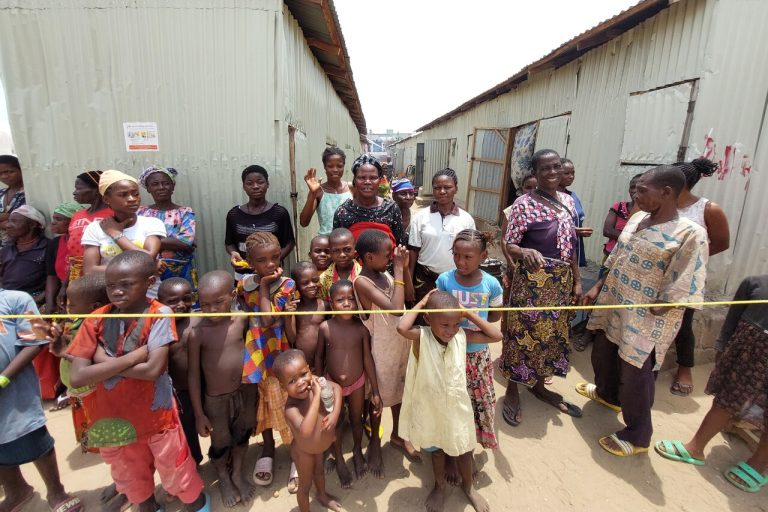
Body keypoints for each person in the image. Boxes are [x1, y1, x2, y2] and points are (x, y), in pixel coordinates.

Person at [577, 166, 709, 457]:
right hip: (615, 301)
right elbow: (617, 256)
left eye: (642, 191)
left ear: (666, 192)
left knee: (635, 372)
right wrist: (598, 285)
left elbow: (687, 278)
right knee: (603, 352)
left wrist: (666, 303)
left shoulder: (690, 233)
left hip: (648, 318)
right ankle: (607, 395)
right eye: (635, 190)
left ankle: (638, 435)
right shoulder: (637, 218)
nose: (635, 195)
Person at [66, 251, 209, 512]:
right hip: (111, 419)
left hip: (157, 418)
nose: (117, 291)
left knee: (178, 473)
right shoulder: (96, 318)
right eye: (111, 285)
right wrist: (133, 357)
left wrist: (101, 362)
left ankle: (196, 505)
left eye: (126, 284)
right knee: (132, 480)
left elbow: (153, 369)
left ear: (150, 281)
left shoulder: (159, 313)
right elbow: (77, 376)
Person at [654, 275, 768, 493]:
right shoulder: (755, 284)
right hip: (749, 355)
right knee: (727, 399)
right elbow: (732, 321)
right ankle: (695, 448)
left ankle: (760, 463)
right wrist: (722, 347)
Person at [397, 290, 501, 512]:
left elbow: (496, 336)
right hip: (431, 407)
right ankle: (439, 486)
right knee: (437, 451)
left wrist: (468, 315)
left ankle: (469, 487)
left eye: (456, 324)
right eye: (445, 325)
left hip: (457, 408)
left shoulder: (462, 336)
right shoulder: (422, 335)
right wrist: (424, 301)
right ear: (428, 318)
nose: (451, 330)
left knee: (463, 449)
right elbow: (401, 328)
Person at [500, 149, 583, 427]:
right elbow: (510, 243)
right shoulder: (524, 203)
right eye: (545, 169)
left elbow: (571, 246)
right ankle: (513, 389)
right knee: (522, 334)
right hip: (532, 282)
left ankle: (538, 385)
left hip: (561, 283)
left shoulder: (569, 202)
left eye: (556, 167)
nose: (552, 173)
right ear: (534, 173)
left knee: (550, 336)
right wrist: (524, 252)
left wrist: (578, 281)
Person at [35, 273, 129, 511]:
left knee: (117, 445)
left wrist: (62, 350)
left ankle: (128, 488)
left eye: (72, 303)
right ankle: (121, 482)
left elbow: (88, 361)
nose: (67, 307)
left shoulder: (103, 327)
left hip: (101, 395)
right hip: (88, 397)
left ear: (95, 307)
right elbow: (73, 341)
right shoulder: (82, 321)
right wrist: (59, 336)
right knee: (108, 445)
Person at [1, 288, 84, 512]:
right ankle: (16, 490)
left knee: (32, 437)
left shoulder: (15, 300)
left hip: (14, 391)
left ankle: (56, 491)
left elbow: (37, 342)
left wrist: (3, 378)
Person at [188, 271, 254, 507]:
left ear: (233, 296)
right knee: (220, 441)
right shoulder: (198, 333)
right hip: (215, 399)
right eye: (205, 305)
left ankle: (237, 472)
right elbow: (194, 375)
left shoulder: (241, 319)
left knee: (243, 432)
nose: (212, 310)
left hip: (245, 391)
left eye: (218, 302)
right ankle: (224, 477)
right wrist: (199, 414)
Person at [237, 232, 297, 490]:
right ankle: (269, 449)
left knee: (286, 398)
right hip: (256, 351)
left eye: (275, 257)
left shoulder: (286, 285)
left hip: (278, 348)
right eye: (262, 260)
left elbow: (268, 319)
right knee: (262, 399)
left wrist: (264, 286)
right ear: (250, 262)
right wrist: (257, 285)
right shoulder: (243, 285)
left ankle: (296, 452)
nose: (271, 264)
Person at [353, 230, 416, 469]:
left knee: (400, 392)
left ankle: (398, 435)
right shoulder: (362, 282)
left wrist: (405, 268)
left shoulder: (386, 275)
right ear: (369, 258)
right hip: (380, 350)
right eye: (387, 255)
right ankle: (375, 445)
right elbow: (396, 309)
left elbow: (408, 295)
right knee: (376, 401)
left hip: (399, 345)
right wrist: (398, 269)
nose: (391, 258)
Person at [436, 230, 503, 455]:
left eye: (468, 257)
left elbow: (494, 317)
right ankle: (450, 448)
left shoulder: (492, 285)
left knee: (476, 403)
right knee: (451, 402)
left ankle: (466, 450)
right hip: (449, 353)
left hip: (477, 357)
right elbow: (438, 316)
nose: (460, 261)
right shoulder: (445, 280)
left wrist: (470, 332)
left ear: (483, 256)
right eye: (456, 255)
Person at [671, 158, 730, 397]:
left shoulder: (708, 209)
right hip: (658, 274)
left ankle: (685, 369)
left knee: (683, 323)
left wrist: (690, 259)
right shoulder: (662, 205)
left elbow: (722, 243)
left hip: (688, 277)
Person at [314, 280, 382, 487]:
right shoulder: (325, 327)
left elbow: (367, 359)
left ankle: (356, 451)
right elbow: (318, 357)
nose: (346, 303)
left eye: (351, 299)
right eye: (340, 300)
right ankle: (340, 460)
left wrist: (376, 390)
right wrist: (320, 384)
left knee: (356, 419)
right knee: (333, 422)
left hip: (357, 383)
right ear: (331, 303)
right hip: (332, 385)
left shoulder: (361, 329)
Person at [274, 349, 343, 512]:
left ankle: (322, 496)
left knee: (319, 472)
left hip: (318, 448)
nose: (301, 382)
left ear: (309, 369)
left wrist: (334, 414)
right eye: (291, 381)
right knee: (305, 486)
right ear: (283, 387)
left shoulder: (317, 383)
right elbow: (305, 431)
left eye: (303, 374)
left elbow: (337, 388)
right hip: (303, 452)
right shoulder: (291, 408)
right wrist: (317, 395)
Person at [81, 170, 165, 297]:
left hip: (149, 295)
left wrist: (115, 234)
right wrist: (143, 270)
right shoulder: (95, 229)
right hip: (113, 298)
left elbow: (147, 258)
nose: (132, 199)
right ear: (107, 199)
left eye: (135, 194)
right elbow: (90, 270)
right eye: (123, 195)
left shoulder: (152, 223)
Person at [408, 168, 476, 303]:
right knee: (424, 320)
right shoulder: (420, 217)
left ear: (456, 188)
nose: (442, 191)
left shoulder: (466, 219)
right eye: (437, 188)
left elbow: (473, 252)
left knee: (452, 320)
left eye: (447, 187)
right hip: (425, 279)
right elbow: (413, 253)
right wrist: (409, 283)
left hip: (457, 280)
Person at [157, 278, 203, 466]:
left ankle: (222, 457)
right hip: (179, 392)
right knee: (187, 429)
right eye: (173, 301)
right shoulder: (160, 327)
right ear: (160, 303)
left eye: (186, 298)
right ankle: (195, 462)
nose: (181, 305)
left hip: (205, 387)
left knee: (211, 423)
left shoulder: (199, 320)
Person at [137, 166, 198, 297]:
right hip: (149, 272)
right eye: (155, 184)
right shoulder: (140, 213)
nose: (161, 187)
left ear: (173, 186)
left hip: (180, 272)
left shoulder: (185, 212)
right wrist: (175, 242)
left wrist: (147, 241)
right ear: (147, 188)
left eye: (166, 183)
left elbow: (186, 242)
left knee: (182, 307)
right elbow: (133, 240)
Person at [225, 165, 295, 276]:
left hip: (272, 272)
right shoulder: (234, 214)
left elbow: (290, 242)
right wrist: (234, 253)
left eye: (260, 182)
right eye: (249, 183)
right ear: (244, 186)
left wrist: (272, 261)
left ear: (267, 184)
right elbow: (229, 243)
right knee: (244, 293)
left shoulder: (279, 213)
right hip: (243, 272)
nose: (255, 186)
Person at [332, 154, 405, 247]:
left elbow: (400, 246)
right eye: (362, 177)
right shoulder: (343, 212)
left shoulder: (391, 209)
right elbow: (337, 247)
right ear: (354, 181)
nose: (367, 182)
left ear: (380, 180)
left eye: (373, 178)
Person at [67, 171, 113, 285]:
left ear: (97, 190)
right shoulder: (77, 215)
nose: (74, 193)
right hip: (76, 273)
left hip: (103, 272)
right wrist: (64, 285)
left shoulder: (113, 214)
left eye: (78, 188)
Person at [299, 147, 352, 236]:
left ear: (344, 166)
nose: (335, 170)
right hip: (327, 244)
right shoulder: (318, 191)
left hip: (348, 242)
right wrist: (312, 194)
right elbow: (304, 222)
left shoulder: (352, 188)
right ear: (324, 167)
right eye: (330, 166)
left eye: (339, 166)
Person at [45, 202, 85, 315]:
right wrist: (50, 303)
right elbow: (51, 276)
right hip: (61, 294)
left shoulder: (85, 241)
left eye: (59, 219)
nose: (53, 222)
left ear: (73, 221)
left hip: (82, 291)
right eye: (54, 218)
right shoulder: (55, 244)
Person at [285, 261, 327, 368]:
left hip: (323, 362)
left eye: (315, 280)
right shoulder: (294, 308)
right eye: (305, 283)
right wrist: (288, 315)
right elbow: (292, 338)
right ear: (296, 286)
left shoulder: (325, 306)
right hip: (302, 363)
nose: (312, 285)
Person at [558, 159, 592, 267]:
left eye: (573, 173)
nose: (571, 176)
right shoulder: (550, 198)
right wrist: (574, 230)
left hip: (574, 246)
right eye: (566, 173)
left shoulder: (573, 196)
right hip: (559, 249)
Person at [601, 173, 642, 261]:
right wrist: (632, 240)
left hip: (632, 258)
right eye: (632, 187)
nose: (634, 190)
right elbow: (607, 230)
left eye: (639, 188)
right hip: (611, 255)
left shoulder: (648, 213)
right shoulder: (619, 206)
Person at [318, 228, 361, 302]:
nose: (342, 255)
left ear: (355, 249)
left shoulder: (363, 274)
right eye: (336, 251)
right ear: (330, 252)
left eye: (347, 249)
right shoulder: (323, 279)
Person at [0, 154, 25, 242]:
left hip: (21, 245)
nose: (4, 176)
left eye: (9, 172)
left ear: (21, 170)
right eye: (0, 173)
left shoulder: (28, 193)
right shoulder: (1, 193)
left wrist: (8, 218)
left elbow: (25, 219)